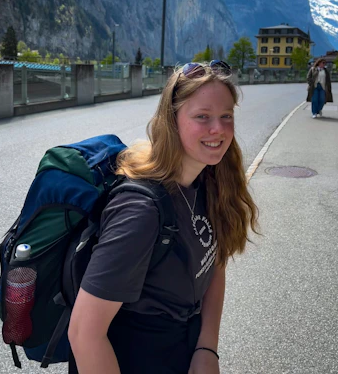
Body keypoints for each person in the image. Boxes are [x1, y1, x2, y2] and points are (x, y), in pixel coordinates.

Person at [68, 60, 259, 374]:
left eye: (226, 116)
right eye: (203, 117)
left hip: (181, 350)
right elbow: (84, 333)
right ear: (172, 121)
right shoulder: (140, 211)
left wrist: (206, 348)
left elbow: (214, 263)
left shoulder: (206, 182)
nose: (219, 129)